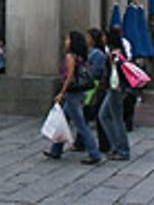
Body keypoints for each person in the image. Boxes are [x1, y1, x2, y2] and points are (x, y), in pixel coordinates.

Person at [42, 31, 102, 165]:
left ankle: (94, 153)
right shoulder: (80, 56)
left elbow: (68, 77)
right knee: (64, 120)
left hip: (72, 93)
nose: (66, 41)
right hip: (78, 92)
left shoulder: (70, 56)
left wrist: (61, 93)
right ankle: (55, 150)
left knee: (81, 125)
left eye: (68, 39)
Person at [74, 28, 110, 154]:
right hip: (92, 87)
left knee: (87, 116)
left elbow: (95, 72)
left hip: (93, 88)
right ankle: (83, 143)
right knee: (88, 116)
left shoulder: (96, 54)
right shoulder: (94, 52)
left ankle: (85, 144)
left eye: (88, 37)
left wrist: (86, 75)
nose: (87, 40)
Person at [99, 28, 131, 161]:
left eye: (104, 36)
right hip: (115, 88)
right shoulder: (115, 51)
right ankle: (116, 146)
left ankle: (122, 150)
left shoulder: (115, 53)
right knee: (104, 115)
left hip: (116, 88)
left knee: (116, 118)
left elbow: (116, 71)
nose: (102, 39)